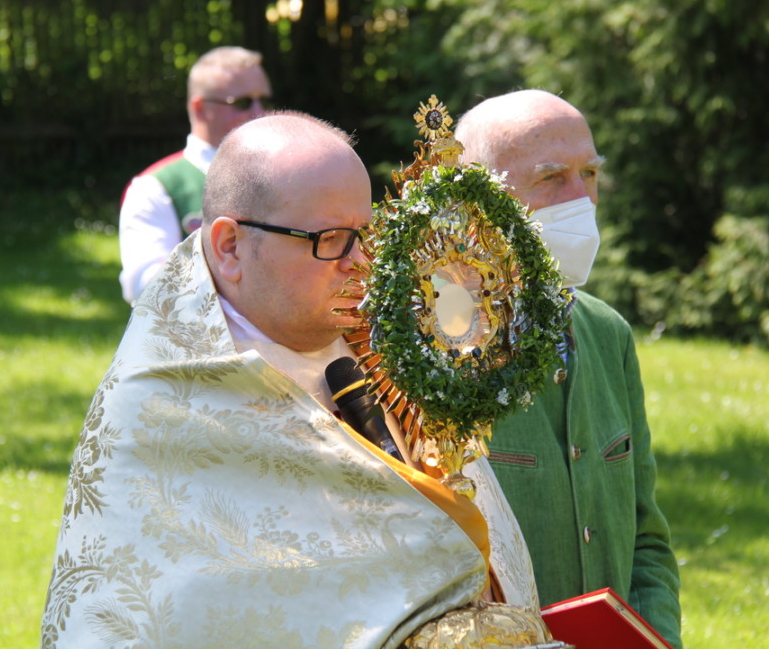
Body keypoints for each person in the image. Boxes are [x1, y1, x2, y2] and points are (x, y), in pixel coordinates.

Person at [42, 112, 545, 649]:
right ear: (230, 246)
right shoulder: (162, 409)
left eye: (368, 233)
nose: (363, 264)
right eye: (330, 238)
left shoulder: (390, 342)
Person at [455, 89, 683, 648]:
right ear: (476, 202)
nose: (581, 199)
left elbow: (647, 541)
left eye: (590, 174)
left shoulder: (608, 333)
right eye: (552, 178)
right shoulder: (429, 349)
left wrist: (657, 640)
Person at [118, 46, 272, 303]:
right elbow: (146, 284)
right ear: (200, 109)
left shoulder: (288, 175)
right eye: (243, 102)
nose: (260, 113)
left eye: (264, 100)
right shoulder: (156, 187)